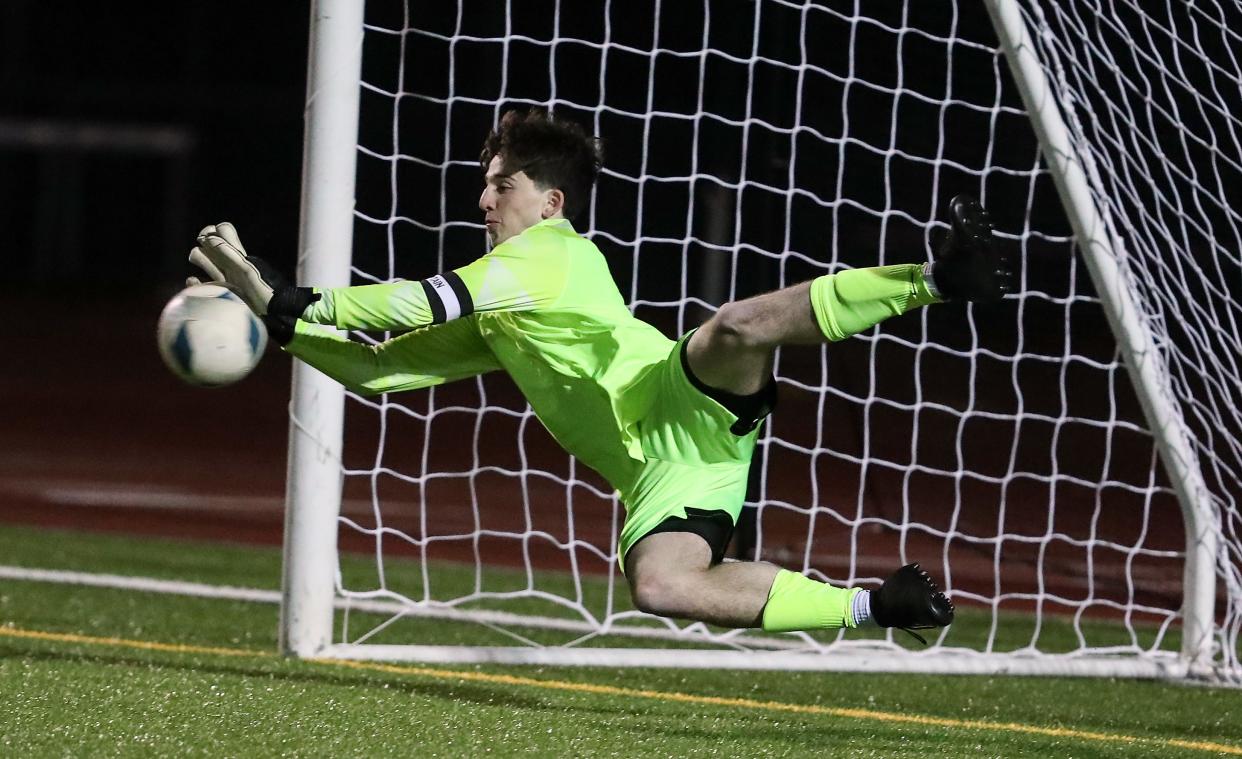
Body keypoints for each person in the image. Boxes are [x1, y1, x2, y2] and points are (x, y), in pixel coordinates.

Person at [190, 108, 1012, 642]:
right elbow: (382, 372)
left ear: (549, 204)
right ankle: (880, 603)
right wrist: (282, 321)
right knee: (659, 584)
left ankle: (938, 278)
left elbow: (414, 305)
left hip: (677, 397)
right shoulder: (501, 306)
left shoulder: (548, 255)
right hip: (662, 474)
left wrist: (292, 296)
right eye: (484, 185)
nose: (485, 200)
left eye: (501, 185)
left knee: (733, 326)